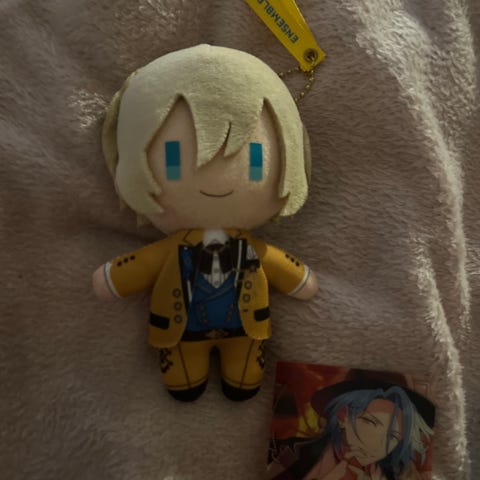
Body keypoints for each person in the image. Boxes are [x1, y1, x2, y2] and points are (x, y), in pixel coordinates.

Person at [92, 45, 318, 401]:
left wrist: (299, 278)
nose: (216, 178)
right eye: (172, 158)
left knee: (244, 375)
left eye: (254, 159)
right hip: (182, 333)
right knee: (185, 377)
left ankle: (241, 376)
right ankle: (191, 376)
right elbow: (142, 265)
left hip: (245, 331)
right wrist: (115, 277)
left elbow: (279, 265)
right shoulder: (174, 248)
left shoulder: (250, 250)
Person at [269, 382, 434, 480]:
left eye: (393, 436)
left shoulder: (394, 474)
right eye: (370, 422)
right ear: (343, 415)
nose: (378, 445)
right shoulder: (289, 454)